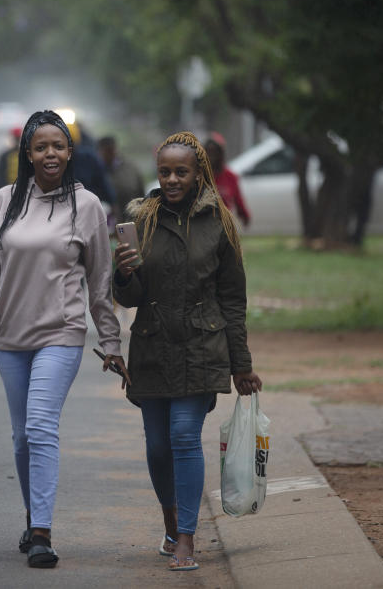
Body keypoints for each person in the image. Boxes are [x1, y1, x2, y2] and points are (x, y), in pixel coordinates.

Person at [0, 109, 128, 569]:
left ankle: (42, 532)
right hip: (10, 340)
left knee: (39, 426)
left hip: (62, 334)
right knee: (21, 438)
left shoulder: (88, 206)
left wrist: (111, 342)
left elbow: (100, 282)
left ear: (70, 151)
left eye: (58, 145)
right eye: (41, 147)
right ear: (28, 154)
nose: (50, 153)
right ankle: (32, 514)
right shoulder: (4, 202)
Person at [113, 131, 262, 571]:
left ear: (199, 173)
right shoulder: (143, 220)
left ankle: (187, 539)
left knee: (182, 436)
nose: (172, 179)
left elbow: (234, 299)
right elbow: (131, 297)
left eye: (182, 171)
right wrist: (124, 275)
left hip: (202, 344)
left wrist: (242, 365)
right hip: (153, 346)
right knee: (158, 446)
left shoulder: (220, 221)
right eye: (165, 172)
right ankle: (170, 519)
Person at [97, 135, 146, 226]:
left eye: (111, 150)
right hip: (108, 227)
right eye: (106, 151)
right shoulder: (96, 172)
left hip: (134, 222)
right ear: (100, 152)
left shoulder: (131, 168)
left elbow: (142, 195)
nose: (109, 154)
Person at [204, 132, 251, 227]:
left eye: (215, 152)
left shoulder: (230, 176)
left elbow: (238, 201)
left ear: (221, 154)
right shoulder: (198, 175)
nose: (211, 156)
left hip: (224, 227)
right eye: (208, 151)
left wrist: (245, 216)